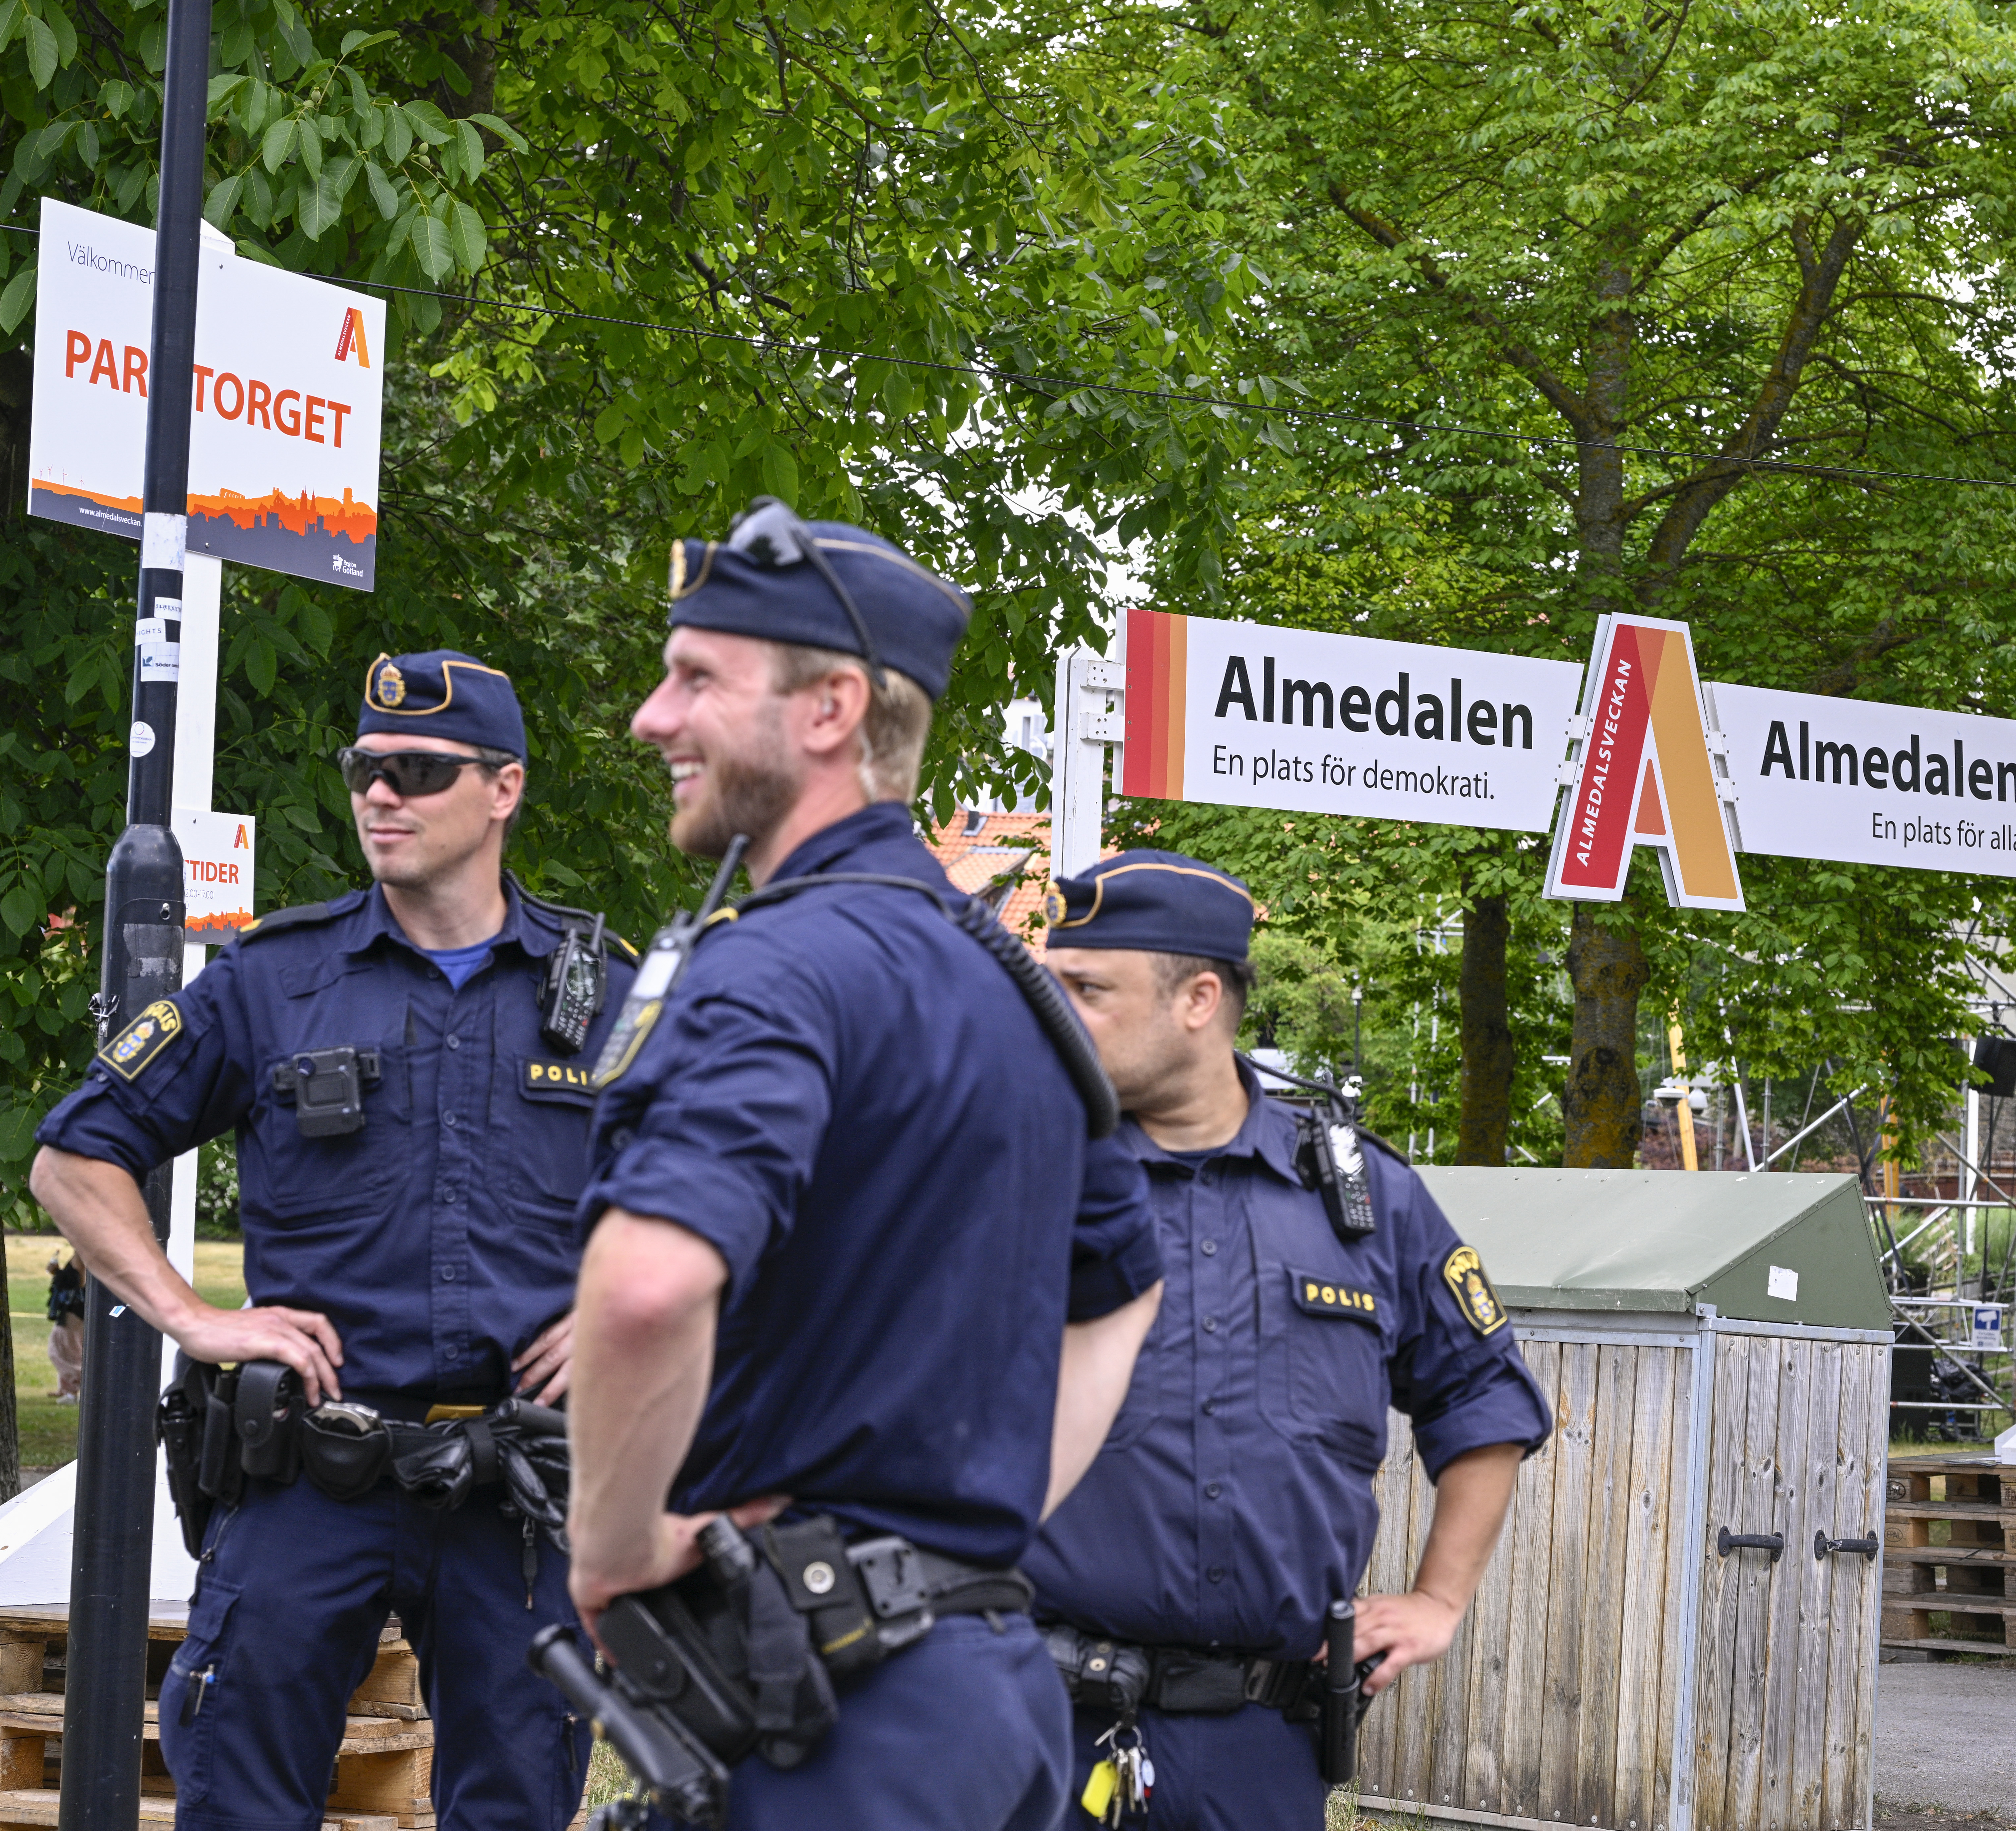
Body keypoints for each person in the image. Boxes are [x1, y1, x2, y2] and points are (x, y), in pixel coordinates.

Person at [565, 504, 1166, 1831]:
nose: (650, 719)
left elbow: (648, 1286)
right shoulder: (1017, 988)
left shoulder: (772, 965)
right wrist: (964, 1522)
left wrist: (611, 1552)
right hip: (987, 1697)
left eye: (697, 678)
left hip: (841, 1720)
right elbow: (1124, 1286)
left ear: (831, 707)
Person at [28, 651, 639, 1831]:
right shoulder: (274, 980)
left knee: (514, 1805)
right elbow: (74, 1158)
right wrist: (195, 1316)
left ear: (504, 788)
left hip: (518, 1491)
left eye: (418, 770)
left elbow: (745, 1187)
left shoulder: (607, 996)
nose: (380, 795)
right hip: (315, 1474)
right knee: (241, 1800)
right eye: (366, 767)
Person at [1026, 850, 1553, 1831]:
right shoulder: (1024, 1174)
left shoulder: (1360, 1201)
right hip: (1041, 1726)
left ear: (1198, 998)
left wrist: (1440, 1598)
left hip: (1260, 1750)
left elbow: (1482, 1396)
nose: (1055, 1014)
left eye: (1088, 989)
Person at [44, 1249, 85, 1401]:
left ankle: (79, 1387)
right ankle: (67, 1389)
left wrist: (57, 1273)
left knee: (60, 1351)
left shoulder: (83, 1254)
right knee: (65, 1349)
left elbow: (81, 1283)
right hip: (70, 1310)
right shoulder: (79, 1254)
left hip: (74, 1311)